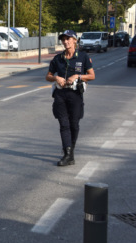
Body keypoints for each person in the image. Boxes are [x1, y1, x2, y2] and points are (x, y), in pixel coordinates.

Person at [45, 30, 95, 166]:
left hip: (75, 95)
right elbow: (48, 76)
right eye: (63, 39)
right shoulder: (58, 58)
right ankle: (67, 154)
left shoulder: (83, 57)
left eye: (68, 39)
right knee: (63, 124)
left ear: (74, 40)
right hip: (60, 94)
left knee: (74, 124)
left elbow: (92, 76)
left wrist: (78, 76)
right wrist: (56, 77)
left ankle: (71, 152)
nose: (65, 42)